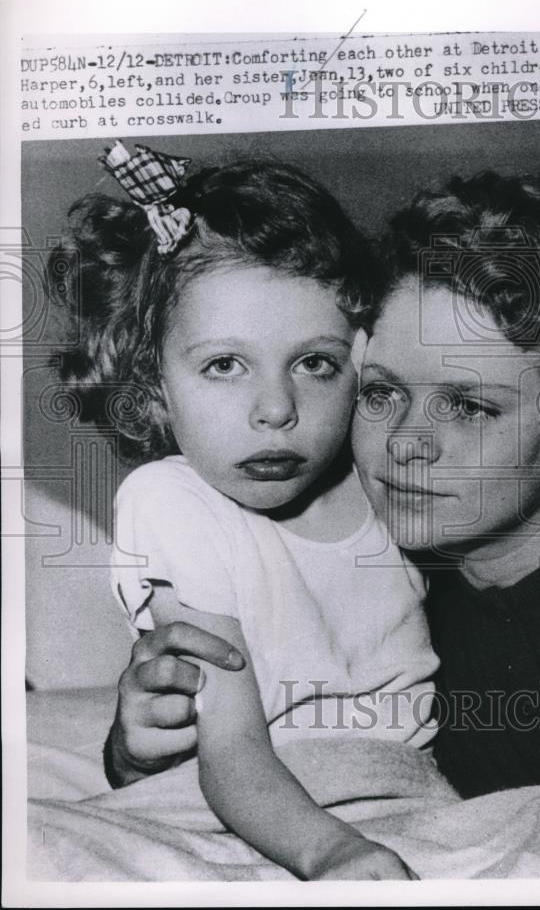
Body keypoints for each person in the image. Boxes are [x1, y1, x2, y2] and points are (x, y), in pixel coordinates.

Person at [101, 167, 540, 868]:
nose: (405, 442)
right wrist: (133, 749)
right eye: (381, 394)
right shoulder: (400, 558)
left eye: (469, 406)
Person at [50, 142, 439, 880]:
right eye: (224, 364)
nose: (275, 410)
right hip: (253, 806)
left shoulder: (383, 469)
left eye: (315, 363)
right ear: (155, 386)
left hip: (410, 795)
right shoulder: (170, 501)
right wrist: (332, 851)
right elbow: (231, 749)